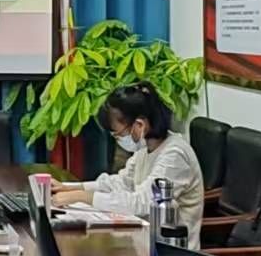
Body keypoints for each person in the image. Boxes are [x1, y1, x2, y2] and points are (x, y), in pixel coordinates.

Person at [50, 83, 204, 229]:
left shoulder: (175, 155)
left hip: (169, 245)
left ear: (139, 125)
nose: (118, 139)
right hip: (142, 235)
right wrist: (70, 188)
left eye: (118, 133)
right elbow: (121, 183)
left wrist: (82, 196)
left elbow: (143, 204)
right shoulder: (145, 148)